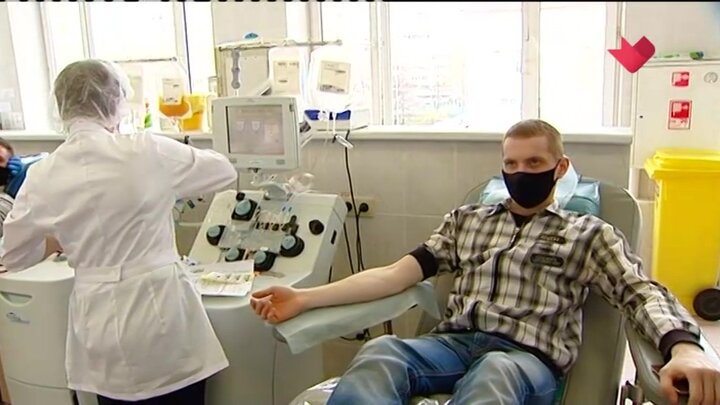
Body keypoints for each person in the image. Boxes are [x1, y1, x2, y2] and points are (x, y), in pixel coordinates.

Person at [251, 119, 720, 405]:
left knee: (495, 371)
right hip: (452, 345)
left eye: (534, 164)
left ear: (560, 168)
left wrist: (685, 348)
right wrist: (304, 298)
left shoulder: (588, 233)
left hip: (524, 359)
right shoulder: (467, 221)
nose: (520, 173)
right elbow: (395, 275)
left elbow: (641, 292)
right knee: (381, 352)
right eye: (511, 165)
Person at [1, 59, 237, 404]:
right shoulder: (146, 150)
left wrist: (64, 237)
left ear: (62, 106)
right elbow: (224, 171)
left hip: (98, 326)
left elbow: (13, 256)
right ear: (115, 100)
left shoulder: (42, 174)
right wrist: (164, 189)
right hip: (161, 317)